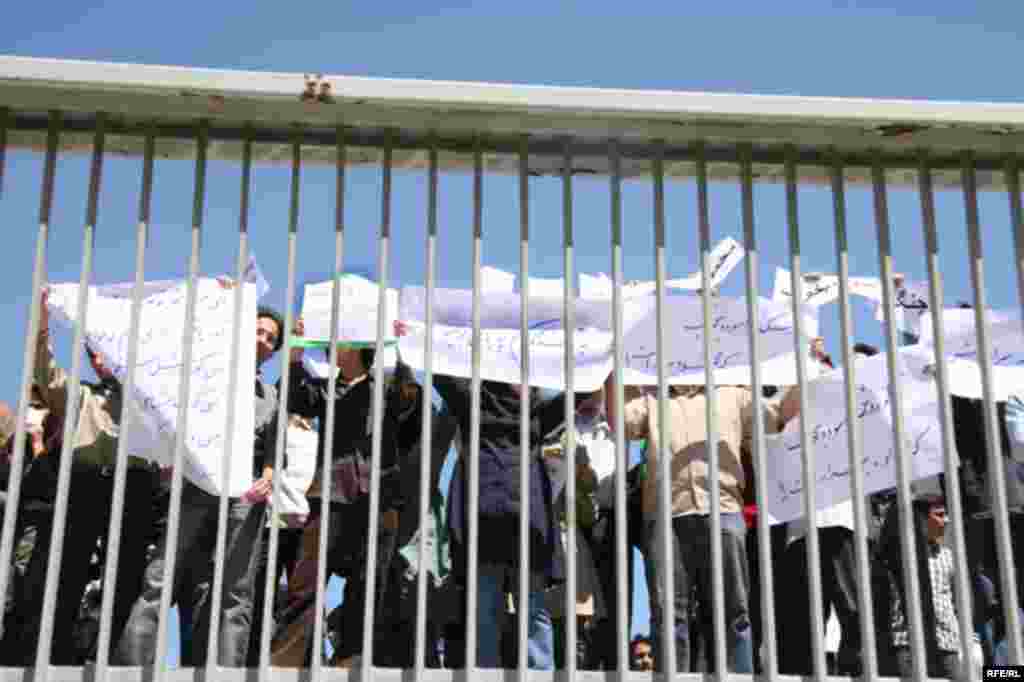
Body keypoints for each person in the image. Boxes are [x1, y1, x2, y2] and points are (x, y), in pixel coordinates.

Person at [114, 304, 283, 667]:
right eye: (259, 331)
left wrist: (267, 479)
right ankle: (130, 666)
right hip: (198, 482)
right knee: (161, 577)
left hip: (245, 494)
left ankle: (225, 671)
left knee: (236, 592)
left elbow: (274, 451)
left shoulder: (270, 396)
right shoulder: (209, 373)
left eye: (271, 338)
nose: (264, 340)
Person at [1, 289, 158, 665]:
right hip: (85, 484)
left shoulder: (151, 399)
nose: (104, 357)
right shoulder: (81, 394)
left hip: (133, 486)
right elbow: (43, 367)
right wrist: (41, 320)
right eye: (97, 351)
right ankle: (53, 659)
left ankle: (112, 661)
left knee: (126, 576)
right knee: (66, 573)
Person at [604, 373, 800, 673]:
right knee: (668, 614)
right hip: (666, 514)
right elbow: (622, 422)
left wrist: (803, 367)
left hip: (724, 510)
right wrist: (615, 370)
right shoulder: (652, 399)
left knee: (734, 611)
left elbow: (778, 415)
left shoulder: (734, 395)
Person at [272, 318, 422, 668]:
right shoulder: (324, 388)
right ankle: (286, 663)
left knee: (368, 587)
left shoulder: (385, 387)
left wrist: (402, 349)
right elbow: (292, 396)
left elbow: (408, 401)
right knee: (305, 583)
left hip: (379, 498)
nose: (332, 346)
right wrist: (296, 347)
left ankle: (351, 662)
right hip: (329, 495)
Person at [882, 495, 962, 679]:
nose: (946, 520)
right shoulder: (897, 557)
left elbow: (959, 600)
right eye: (940, 515)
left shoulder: (947, 556)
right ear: (922, 520)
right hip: (908, 642)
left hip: (945, 641)